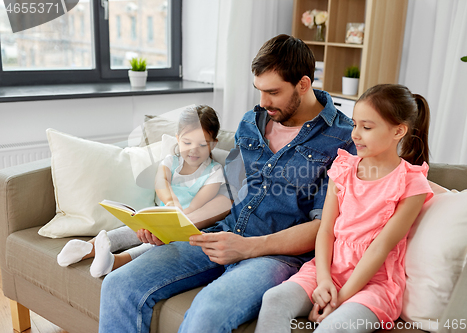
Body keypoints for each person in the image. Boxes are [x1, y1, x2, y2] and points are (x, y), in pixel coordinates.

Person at [98, 34, 355, 333]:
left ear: (303, 84)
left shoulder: (343, 139)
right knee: (119, 284)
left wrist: (246, 248)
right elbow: (230, 193)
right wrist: (173, 227)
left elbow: (325, 227)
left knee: (207, 314)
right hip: (221, 235)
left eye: (273, 92)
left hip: (276, 257)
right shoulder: (252, 122)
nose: (263, 102)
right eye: (258, 90)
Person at [255, 84, 434, 333]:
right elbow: (326, 230)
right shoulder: (343, 167)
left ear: (398, 131)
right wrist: (325, 278)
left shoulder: (412, 183)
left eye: (367, 127)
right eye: (355, 124)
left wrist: (339, 298)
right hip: (328, 268)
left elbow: (380, 248)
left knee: (333, 328)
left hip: (374, 284)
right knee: (274, 300)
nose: (355, 135)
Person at [56, 105, 224, 278]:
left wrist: (179, 215)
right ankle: (86, 248)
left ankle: (113, 262)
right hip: (158, 215)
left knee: (154, 245)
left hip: (183, 225)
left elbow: (201, 202)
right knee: (130, 230)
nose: (193, 149)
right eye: (187, 142)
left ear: (213, 144)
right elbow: (161, 181)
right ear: (178, 139)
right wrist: (170, 201)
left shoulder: (214, 171)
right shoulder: (171, 161)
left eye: (202, 144)